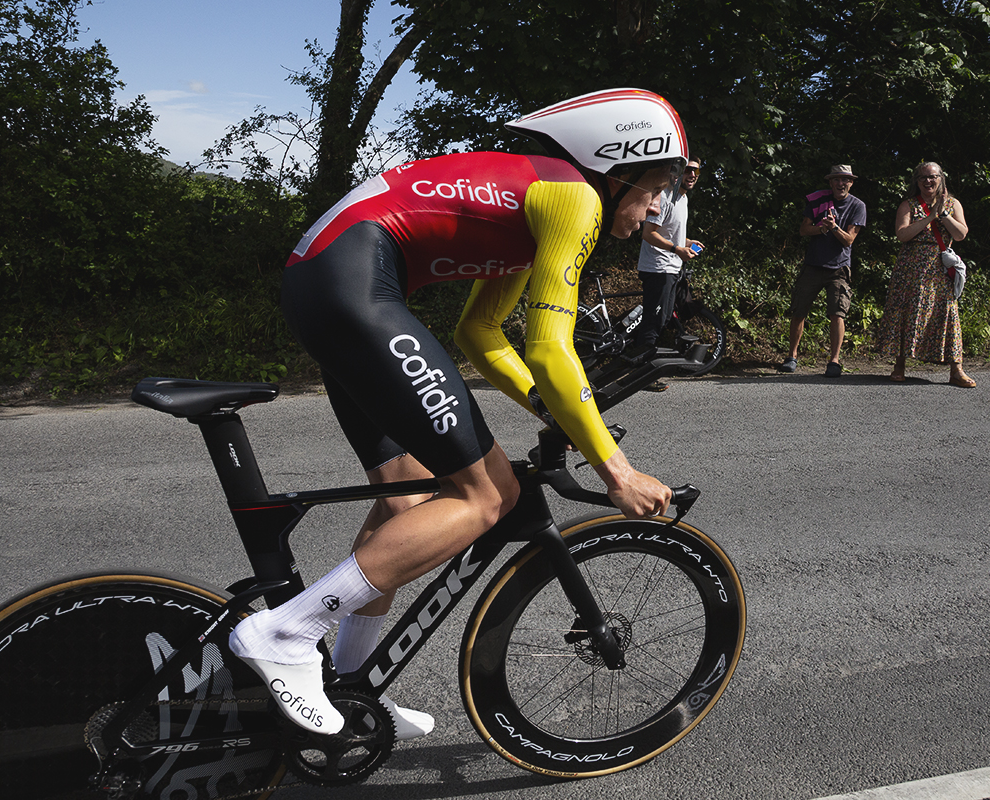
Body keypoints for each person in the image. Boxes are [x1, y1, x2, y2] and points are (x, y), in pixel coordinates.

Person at [227, 88, 683, 740]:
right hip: (352, 282)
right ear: (617, 172)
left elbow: (482, 333)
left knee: (405, 505)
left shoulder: (538, 198)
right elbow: (550, 350)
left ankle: (350, 688)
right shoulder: (574, 199)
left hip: (330, 278)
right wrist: (617, 470)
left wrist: (545, 406)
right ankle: (286, 631)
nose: (659, 205)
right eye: (657, 185)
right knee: (488, 494)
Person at [877, 161, 975, 387]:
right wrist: (930, 217)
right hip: (910, 269)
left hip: (940, 268)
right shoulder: (909, 205)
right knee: (906, 311)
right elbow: (902, 234)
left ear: (941, 178)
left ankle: (956, 369)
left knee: (948, 313)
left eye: (932, 177)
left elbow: (960, 235)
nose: (928, 181)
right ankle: (899, 365)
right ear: (917, 182)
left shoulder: (953, 204)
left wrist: (943, 215)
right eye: (923, 178)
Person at [779, 165, 867, 377]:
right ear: (830, 182)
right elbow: (803, 230)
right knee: (799, 311)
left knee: (837, 313)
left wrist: (834, 227)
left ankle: (834, 361)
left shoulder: (858, 206)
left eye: (845, 180)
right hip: (813, 265)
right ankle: (792, 356)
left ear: (851, 183)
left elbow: (849, 240)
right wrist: (821, 228)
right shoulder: (817, 200)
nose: (841, 183)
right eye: (836, 179)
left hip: (839, 268)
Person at [632, 156, 704, 391]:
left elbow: (668, 232)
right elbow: (648, 234)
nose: (692, 175)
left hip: (672, 267)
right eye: (688, 170)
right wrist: (676, 249)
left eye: (696, 171)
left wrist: (687, 242)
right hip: (658, 267)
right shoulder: (664, 197)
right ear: (677, 172)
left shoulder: (682, 198)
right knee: (653, 322)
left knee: (660, 319)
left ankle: (636, 366)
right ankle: (641, 376)